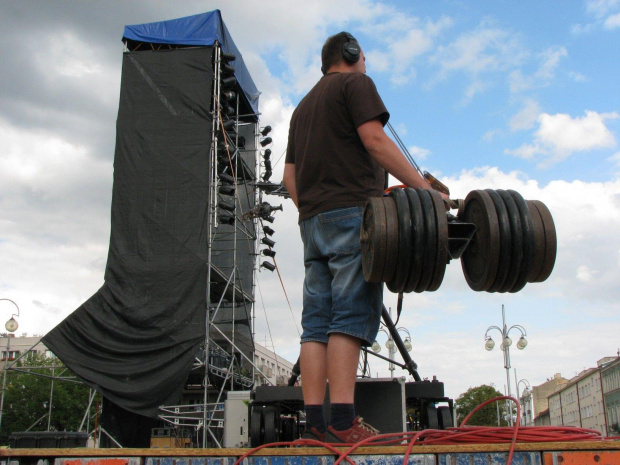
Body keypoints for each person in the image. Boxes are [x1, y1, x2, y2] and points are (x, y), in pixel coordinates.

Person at [283, 31, 443, 443]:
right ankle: (342, 420)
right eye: (364, 55)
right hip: (353, 215)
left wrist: (310, 213)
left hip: (312, 223)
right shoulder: (357, 84)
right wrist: (425, 193)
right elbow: (374, 140)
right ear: (351, 53)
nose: (366, 62)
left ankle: (315, 425)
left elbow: (288, 178)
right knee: (350, 314)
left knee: (315, 323)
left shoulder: (301, 108)